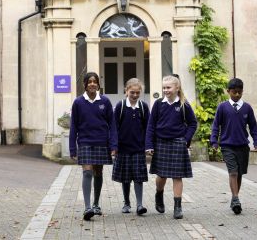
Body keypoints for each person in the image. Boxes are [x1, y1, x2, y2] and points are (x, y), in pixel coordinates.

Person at [145, 74, 198, 219]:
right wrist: (149, 144)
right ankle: (159, 194)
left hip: (177, 143)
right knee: (161, 176)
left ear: (177, 88)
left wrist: (185, 140)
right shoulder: (158, 104)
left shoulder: (183, 104)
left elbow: (193, 124)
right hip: (160, 142)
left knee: (177, 176)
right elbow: (151, 125)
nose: (165, 90)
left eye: (168, 87)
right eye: (164, 88)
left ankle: (177, 207)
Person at [69, 72, 118, 221]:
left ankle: (96, 204)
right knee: (87, 173)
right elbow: (74, 126)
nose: (92, 84)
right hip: (84, 142)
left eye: (94, 81)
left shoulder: (105, 101)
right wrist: (72, 147)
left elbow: (112, 125)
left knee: (98, 172)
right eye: (89, 81)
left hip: (101, 142)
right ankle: (87, 207)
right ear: (85, 84)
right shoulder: (78, 102)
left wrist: (113, 144)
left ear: (98, 84)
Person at [210, 77, 257, 215]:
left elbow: (253, 126)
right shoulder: (222, 107)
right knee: (232, 172)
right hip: (227, 146)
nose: (237, 95)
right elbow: (216, 125)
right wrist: (214, 141)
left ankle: (234, 200)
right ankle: (236, 198)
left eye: (239, 92)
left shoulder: (247, 108)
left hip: (243, 146)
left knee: (239, 174)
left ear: (242, 91)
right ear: (228, 91)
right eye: (234, 92)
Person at [112, 78, 150, 215]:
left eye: (137, 92)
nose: (134, 95)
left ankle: (139, 205)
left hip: (138, 149)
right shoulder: (120, 106)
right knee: (125, 178)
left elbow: (148, 128)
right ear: (126, 91)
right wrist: (114, 146)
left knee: (139, 178)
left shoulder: (144, 107)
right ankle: (126, 203)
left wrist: (148, 146)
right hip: (123, 149)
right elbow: (114, 127)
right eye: (132, 92)